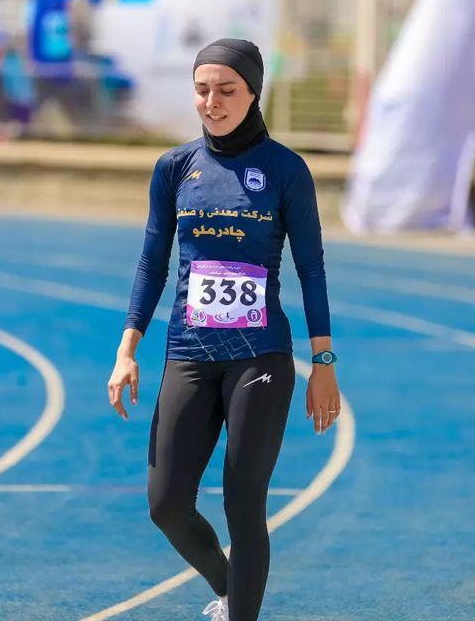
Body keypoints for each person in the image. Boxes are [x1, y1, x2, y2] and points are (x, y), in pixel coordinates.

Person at [106, 39, 342, 621]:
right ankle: (229, 588)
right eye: (202, 90)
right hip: (189, 350)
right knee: (166, 504)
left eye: (226, 90)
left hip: (259, 355)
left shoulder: (286, 170)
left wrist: (324, 365)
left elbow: (311, 269)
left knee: (243, 502)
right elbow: (151, 264)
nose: (212, 102)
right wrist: (127, 350)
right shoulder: (174, 168)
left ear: (254, 92)